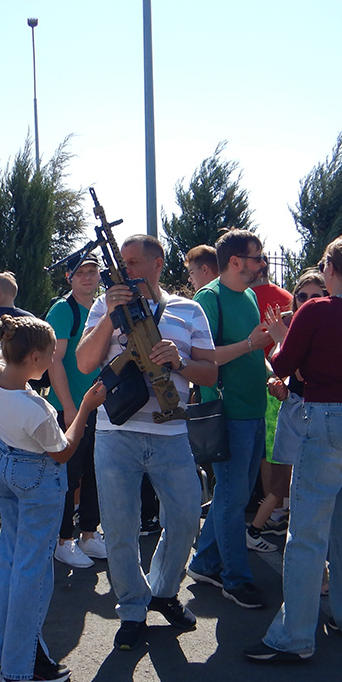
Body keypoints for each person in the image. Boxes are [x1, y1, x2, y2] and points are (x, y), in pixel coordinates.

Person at [245, 234, 342, 662]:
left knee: (306, 532)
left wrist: (277, 337)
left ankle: (295, 636)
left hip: (328, 420)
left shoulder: (316, 310)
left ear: (330, 267)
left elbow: (284, 366)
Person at [75, 234, 218, 652]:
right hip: (116, 433)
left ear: (158, 264)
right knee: (120, 528)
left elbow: (209, 374)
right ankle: (133, 609)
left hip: (172, 433)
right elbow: (85, 363)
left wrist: (181, 361)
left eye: (134, 262)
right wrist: (109, 317)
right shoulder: (106, 307)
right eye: (122, 262)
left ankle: (164, 589)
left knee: (187, 516)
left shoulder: (189, 310)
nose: (125, 269)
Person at [0, 315, 106, 682]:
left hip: (4, 465)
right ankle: (21, 669)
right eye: (51, 357)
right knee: (32, 574)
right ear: (35, 357)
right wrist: (84, 408)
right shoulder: (33, 411)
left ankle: (3, 659)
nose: (54, 363)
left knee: (12, 566)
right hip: (35, 477)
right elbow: (63, 453)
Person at [187, 229, 274, 609]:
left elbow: (252, 352)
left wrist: (269, 369)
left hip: (253, 409)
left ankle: (206, 564)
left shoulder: (251, 296)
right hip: (229, 413)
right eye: (257, 258)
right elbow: (203, 358)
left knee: (229, 495)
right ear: (236, 261)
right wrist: (252, 345)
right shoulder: (208, 298)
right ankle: (235, 579)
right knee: (233, 499)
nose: (262, 264)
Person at [250, 270, 328, 544]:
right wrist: (277, 381)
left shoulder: (329, 325)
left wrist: (283, 339)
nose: (307, 301)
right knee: (281, 481)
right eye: (302, 295)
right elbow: (277, 365)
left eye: (315, 296)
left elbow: (308, 371)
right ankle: (262, 529)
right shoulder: (287, 323)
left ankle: (305, 547)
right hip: (288, 409)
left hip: (319, 415)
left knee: (308, 485)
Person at [44, 254, 106, 569]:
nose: (87, 277)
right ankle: (63, 540)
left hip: (98, 407)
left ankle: (88, 534)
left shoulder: (100, 309)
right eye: (81, 272)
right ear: (69, 277)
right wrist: (69, 406)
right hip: (69, 409)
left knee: (95, 472)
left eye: (92, 272)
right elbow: (54, 360)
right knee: (68, 476)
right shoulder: (63, 309)